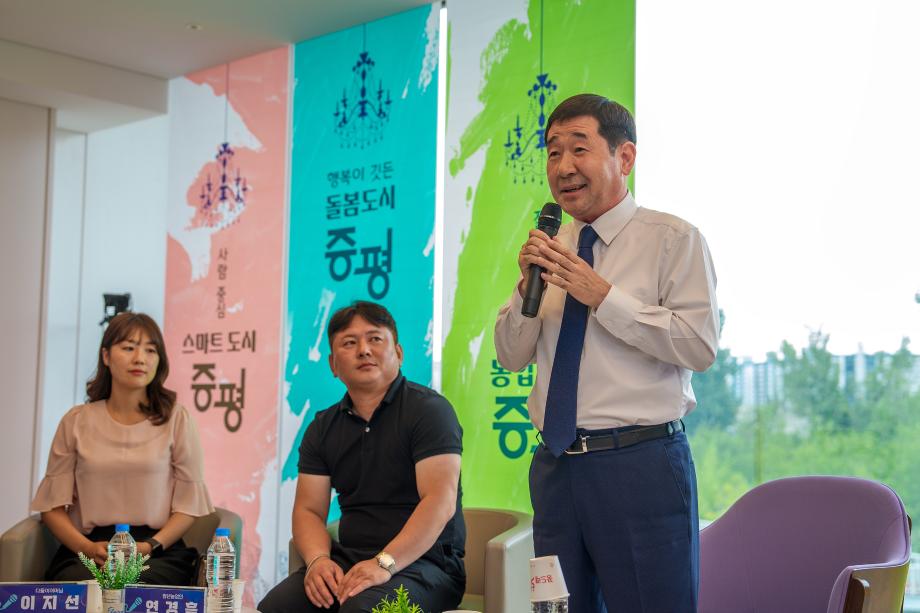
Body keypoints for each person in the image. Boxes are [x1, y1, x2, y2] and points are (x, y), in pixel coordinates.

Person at [494, 94, 719, 613]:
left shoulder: (673, 239)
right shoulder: (552, 246)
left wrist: (604, 297)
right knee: (558, 608)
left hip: (639, 465)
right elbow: (511, 356)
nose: (563, 167)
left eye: (579, 148)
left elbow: (699, 345)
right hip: (556, 468)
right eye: (553, 152)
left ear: (625, 157)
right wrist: (527, 287)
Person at [259, 301, 465, 613]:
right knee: (276, 607)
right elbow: (309, 509)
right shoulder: (322, 427)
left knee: (361, 609)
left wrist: (385, 563)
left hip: (425, 564)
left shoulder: (430, 411)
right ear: (333, 364)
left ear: (398, 352)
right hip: (351, 559)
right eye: (349, 343)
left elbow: (440, 501)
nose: (364, 350)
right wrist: (318, 561)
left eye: (375, 339)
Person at [32, 312, 214, 585]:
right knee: (84, 587)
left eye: (150, 350)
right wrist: (86, 548)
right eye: (129, 348)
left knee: (139, 588)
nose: (140, 358)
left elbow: (189, 506)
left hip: (155, 549)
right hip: (90, 548)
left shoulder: (177, 419)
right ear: (106, 356)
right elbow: (52, 508)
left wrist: (149, 546)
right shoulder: (76, 421)